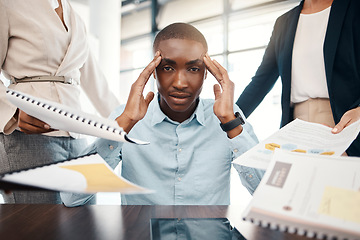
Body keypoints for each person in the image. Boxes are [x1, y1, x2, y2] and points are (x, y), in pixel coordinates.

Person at [61, 22, 264, 207]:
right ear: (154, 71)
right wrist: (125, 123)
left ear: (206, 73)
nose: (179, 83)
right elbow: (71, 198)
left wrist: (231, 124)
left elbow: (265, 194)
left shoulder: (230, 117)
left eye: (193, 68)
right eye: (168, 68)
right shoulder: (126, 118)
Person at [0, 0, 119, 204]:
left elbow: (98, 86)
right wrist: (14, 111)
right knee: (39, 227)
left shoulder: (77, 18)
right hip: (28, 134)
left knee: (84, 222)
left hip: (78, 138)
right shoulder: (8, 5)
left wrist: (130, 125)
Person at [236, 0, 360, 156]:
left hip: (343, 125)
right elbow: (261, 82)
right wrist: (229, 118)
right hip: (295, 126)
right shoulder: (283, 22)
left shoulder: (354, 9)